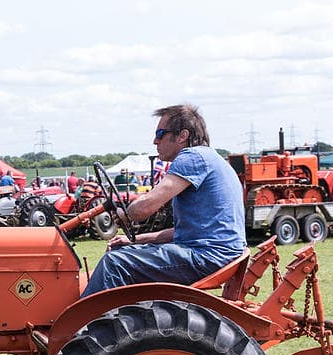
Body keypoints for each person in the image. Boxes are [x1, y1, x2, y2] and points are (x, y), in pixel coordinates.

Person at [83, 104, 246, 296]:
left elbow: (144, 208)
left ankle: (82, 325)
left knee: (115, 263)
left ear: (182, 136)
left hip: (207, 256)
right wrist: (135, 240)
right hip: (215, 253)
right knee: (120, 256)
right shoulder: (210, 158)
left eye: (160, 133)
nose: (155, 141)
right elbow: (185, 232)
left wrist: (124, 213)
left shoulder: (193, 157)